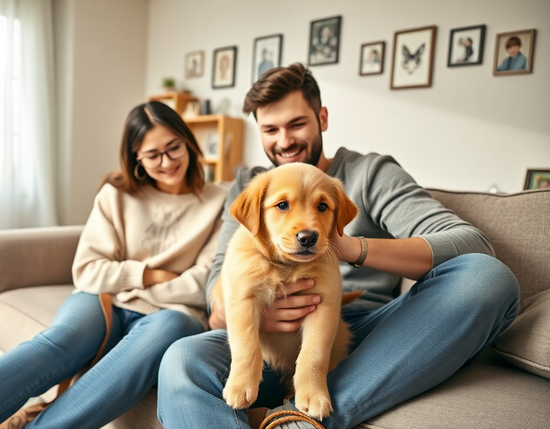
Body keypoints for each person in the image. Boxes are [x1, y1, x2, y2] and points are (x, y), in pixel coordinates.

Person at [157, 63, 519, 429]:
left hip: (363, 332)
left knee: (486, 278)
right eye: (270, 129)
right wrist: (248, 312)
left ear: (322, 118)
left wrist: (351, 247)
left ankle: (299, 419)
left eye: (296, 124)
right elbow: (218, 278)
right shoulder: (250, 186)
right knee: (180, 357)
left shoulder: (370, 174)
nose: (284, 141)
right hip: (263, 341)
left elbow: (471, 244)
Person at [0, 101, 226, 429]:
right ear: (135, 158)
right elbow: (87, 270)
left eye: (174, 148)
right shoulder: (116, 195)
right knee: (55, 345)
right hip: (103, 300)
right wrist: (147, 272)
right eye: (153, 155)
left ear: (188, 141)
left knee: (150, 346)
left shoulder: (219, 201)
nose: (167, 162)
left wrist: (121, 274)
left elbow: (200, 283)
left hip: (173, 313)